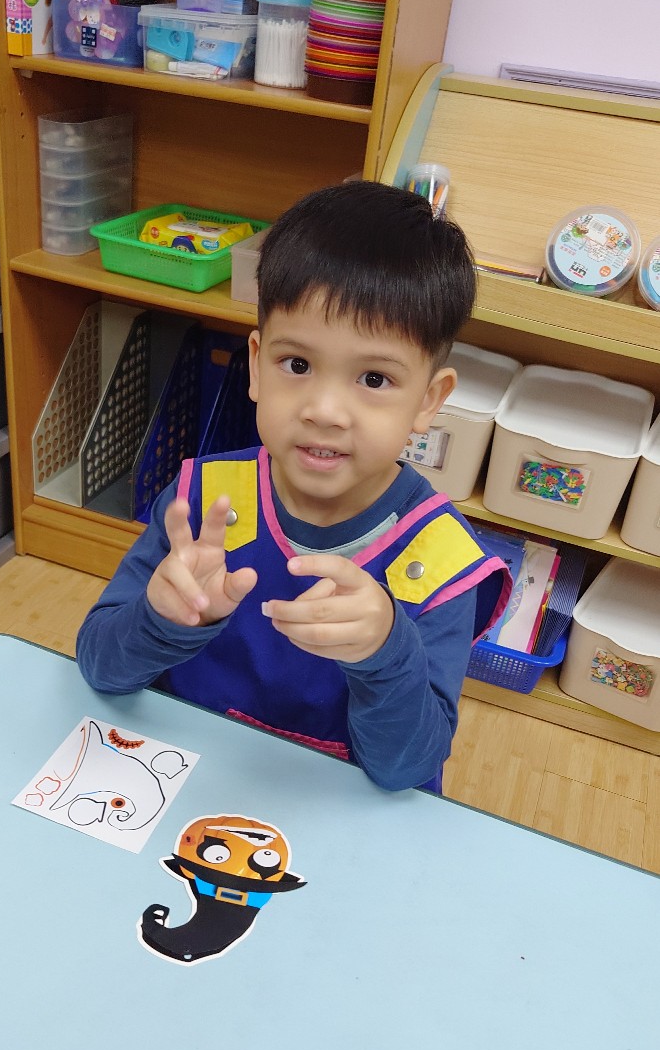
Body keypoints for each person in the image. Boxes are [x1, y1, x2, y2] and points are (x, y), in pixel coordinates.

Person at [76, 182, 511, 791]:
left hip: (329, 815)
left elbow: (409, 768)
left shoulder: (439, 560)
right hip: (180, 789)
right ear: (256, 365)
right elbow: (100, 667)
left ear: (428, 401)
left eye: (374, 379)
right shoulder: (204, 500)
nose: (324, 410)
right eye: (297, 365)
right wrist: (160, 619)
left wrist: (386, 651)